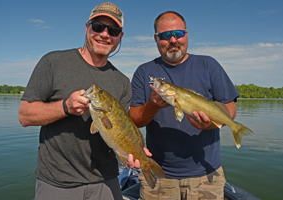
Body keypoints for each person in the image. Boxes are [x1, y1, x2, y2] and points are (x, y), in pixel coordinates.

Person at [19, 2, 144, 200]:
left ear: (120, 37)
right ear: (87, 28)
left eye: (113, 30)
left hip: (107, 180)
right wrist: (65, 107)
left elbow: (121, 130)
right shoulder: (53, 62)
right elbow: (24, 116)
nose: (104, 34)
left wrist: (134, 150)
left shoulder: (122, 82)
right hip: (57, 183)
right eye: (98, 27)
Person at [129, 11, 240, 199]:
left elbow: (230, 106)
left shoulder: (209, 65)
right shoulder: (144, 72)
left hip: (207, 174)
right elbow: (134, 120)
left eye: (178, 34)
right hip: (159, 174)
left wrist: (213, 122)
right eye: (165, 36)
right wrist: (152, 106)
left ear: (186, 35)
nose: (173, 40)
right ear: (156, 39)